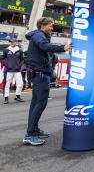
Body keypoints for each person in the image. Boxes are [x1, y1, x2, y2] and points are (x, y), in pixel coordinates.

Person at [23, 17, 72, 146]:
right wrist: (63, 47)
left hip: (39, 73)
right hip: (40, 75)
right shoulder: (39, 35)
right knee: (40, 104)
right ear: (42, 25)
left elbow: (45, 51)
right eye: (50, 26)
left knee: (35, 104)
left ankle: (34, 130)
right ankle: (30, 134)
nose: (52, 28)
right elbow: (45, 46)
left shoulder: (38, 35)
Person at [2, 39, 25, 104]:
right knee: (7, 84)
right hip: (9, 70)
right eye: (11, 42)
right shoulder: (6, 50)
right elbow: (2, 58)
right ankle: (6, 98)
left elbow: (22, 60)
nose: (12, 43)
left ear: (16, 42)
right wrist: (6, 65)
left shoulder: (19, 50)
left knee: (20, 84)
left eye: (13, 42)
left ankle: (17, 96)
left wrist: (19, 66)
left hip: (17, 70)